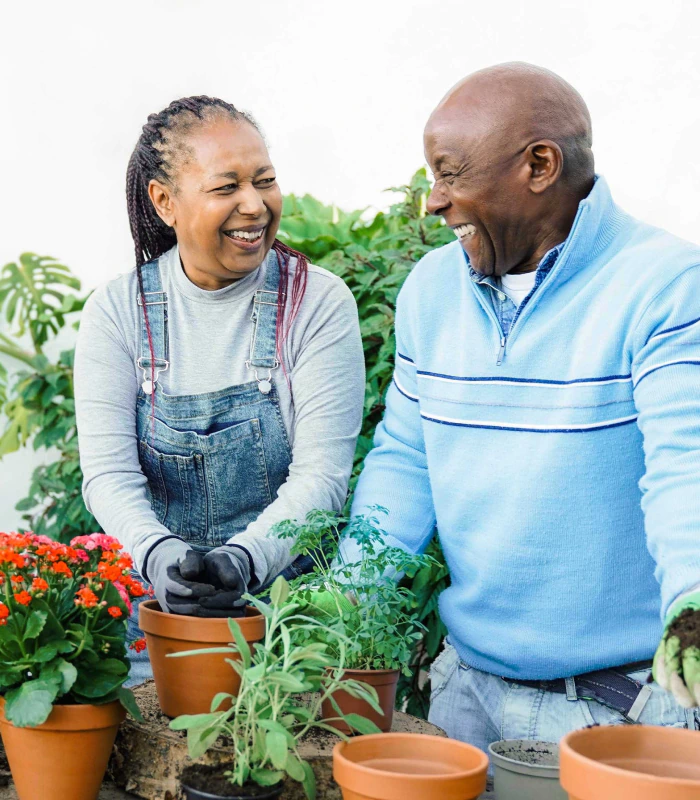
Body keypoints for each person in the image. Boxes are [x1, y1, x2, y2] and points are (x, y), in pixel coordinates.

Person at [343, 63, 700, 750]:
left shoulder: (665, 287)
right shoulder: (430, 290)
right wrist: (350, 592)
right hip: (465, 695)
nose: (435, 201)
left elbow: (685, 463)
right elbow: (406, 462)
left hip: (618, 712)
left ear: (539, 165)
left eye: (450, 173)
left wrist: (694, 598)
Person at [74, 96, 364, 681]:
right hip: (155, 621)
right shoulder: (117, 313)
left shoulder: (315, 302)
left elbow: (323, 477)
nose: (254, 205)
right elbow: (108, 476)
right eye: (226, 186)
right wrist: (158, 557)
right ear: (164, 202)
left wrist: (243, 560)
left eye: (265, 181)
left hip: (285, 621)